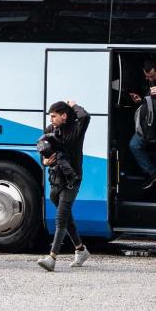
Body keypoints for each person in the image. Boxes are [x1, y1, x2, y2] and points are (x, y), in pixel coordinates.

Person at [39, 100, 91, 272]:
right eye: (50, 117)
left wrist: (74, 104)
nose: (51, 120)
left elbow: (85, 116)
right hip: (56, 179)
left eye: (54, 116)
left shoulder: (76, 130)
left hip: (72, 179)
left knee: (61, 218)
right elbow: (44, 152)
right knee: (66, 215)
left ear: (64, 116)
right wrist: (44, 162)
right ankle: (81, 250)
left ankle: (52, 258)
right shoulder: (50, 131)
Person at [124, 59, 156, 203]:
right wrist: (139, 100)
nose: (148, 79)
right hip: (149, 126)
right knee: (134, 145)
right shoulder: (147, 82)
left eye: (151, 76)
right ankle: (153, 174)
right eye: (146, 76)